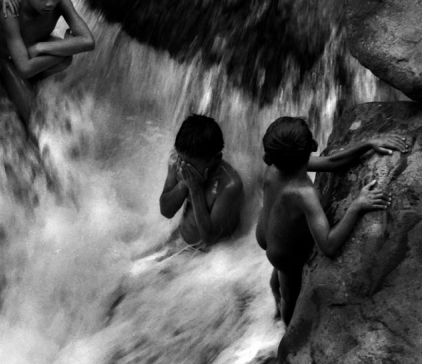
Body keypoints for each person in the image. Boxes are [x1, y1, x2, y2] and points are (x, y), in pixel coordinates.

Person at [255, 116, 407, 326]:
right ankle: (286, 330)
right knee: (290, 297)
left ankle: (274, 298)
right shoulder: (304, 194)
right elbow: (328, 245)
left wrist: (368, 144)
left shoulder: (274, 166)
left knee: (279, 276)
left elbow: (332, 162)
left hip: (267, 236)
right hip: (283, 255)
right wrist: (357, 205)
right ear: (313, 146)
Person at [0, 0, 95, 135]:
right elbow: (23, 68)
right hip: (10, 61)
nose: (51, 2)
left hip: (35, 47)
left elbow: (88, 41)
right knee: (32, 119)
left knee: (66, 59)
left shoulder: (62, 0)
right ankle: (11, 85)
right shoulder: (11, 12)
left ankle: (35, 76)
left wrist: (41, 47)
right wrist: (65, 48)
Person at [159, 114, 244, 247]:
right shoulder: (177, 160)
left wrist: (196, 190)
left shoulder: (229, 185)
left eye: (191, 166)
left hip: (213, 255)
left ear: (216, 159)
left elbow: (209, 238)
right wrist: (184, 184)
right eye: (182, 161)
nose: (184, 167)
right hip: (182, 241)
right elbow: (166, 211)